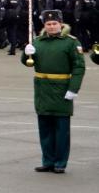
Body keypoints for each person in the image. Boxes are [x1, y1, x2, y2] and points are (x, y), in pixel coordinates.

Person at [21, 9, 85, 173]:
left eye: (54, 23)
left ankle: (60, 163)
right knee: (45, 129)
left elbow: (79, 67)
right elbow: (29, 63)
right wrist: (26, 53)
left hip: (62, 88)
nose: (51, 27)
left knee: (61, 130)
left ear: (60, 24)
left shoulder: (71, 42)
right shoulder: (38, 41)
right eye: (48, 24)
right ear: (45, 25)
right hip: (43, 89)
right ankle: (48, 160)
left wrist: (73, 89)